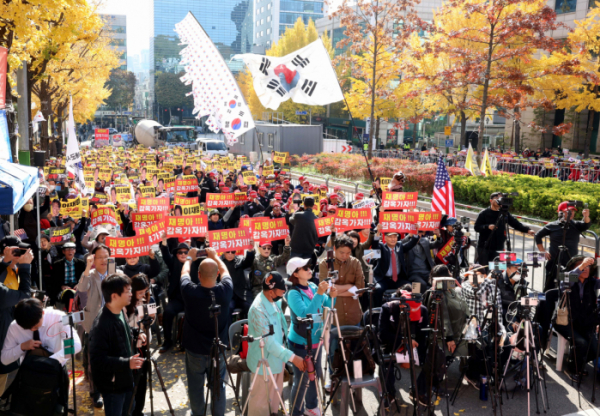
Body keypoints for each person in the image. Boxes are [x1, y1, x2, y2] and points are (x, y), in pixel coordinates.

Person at [179, 247, 233, 416]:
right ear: (216, 275)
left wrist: (189, 257)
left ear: (199, 275)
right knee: (218, 388)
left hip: (195, 350)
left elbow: (184, 274)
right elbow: (225, 271)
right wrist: (216, 256)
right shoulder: (225, 290)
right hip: (218, 350)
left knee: (195, 389)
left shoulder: (190, 291)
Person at [246, 271, 306, 416]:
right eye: (282, 289)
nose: (285, 292)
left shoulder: (274, 301)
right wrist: (293, 358)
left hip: (277, 361)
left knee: (274, 405)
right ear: (271, 292)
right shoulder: (258, 310)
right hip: (263, 366)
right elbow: (269, 343)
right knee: (260, 408)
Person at [89, 274, 146, 416]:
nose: (131, 294)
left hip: (126, 379)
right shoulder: (101, 325)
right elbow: (98, 360)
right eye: (127, 291)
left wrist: (135, 333)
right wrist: (127, 363)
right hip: (113, 386)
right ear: (114, 296)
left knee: (129, 411)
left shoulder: (119, 310)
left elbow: (122, 330)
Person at [287, 263, 337, 416]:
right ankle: (295, 412)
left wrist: (331, 296)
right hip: (300, 342)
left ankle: (311, 406)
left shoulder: (313, 286)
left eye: (310, 267)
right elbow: (305, 316)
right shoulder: (293, 293)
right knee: (302, 380)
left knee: (315, 376)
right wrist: (321, 294)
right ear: (295, 274)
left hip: (316, 338)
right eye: (305, 268)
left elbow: (326, 306)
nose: (310, 270)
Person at [77, 245, 120, 409]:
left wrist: (114, 271)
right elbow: (81, 288)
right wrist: (87, 267)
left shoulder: (114, 272)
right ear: (93, 259)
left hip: (113, 322)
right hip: (94, 322)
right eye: (99, 257)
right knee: (94, 362)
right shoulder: (91, 275)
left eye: (106, 256)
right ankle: (96, 393)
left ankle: (111, 387)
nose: (103, 260)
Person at [552, 256, 599, 382]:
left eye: (588, 266)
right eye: (582, 266)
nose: (585, 269)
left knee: (595, 348)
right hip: (565, 322)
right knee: (581, 343)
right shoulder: (567, 277)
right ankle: (572, 368)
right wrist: (582, 265)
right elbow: (565, 281)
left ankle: (577, 361)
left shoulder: (591, 282)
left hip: (585, 322)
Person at [378, 285, 427, 404]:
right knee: (385, 363)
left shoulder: (423, 310)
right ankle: (389, 393)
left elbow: (424, 334)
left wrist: (414, 352)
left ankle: (419, 391)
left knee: (435, 356)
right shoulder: (388, 308)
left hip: (415, 344)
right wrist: (404, 341)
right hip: (392, 343)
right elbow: (382, 334)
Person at [1, 297, 82, 368]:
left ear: (42, 313)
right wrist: (21, 347)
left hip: (55, 370)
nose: (32, 329)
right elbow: (4, 359)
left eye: (35, 326)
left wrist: (51, 361)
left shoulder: (58, 317)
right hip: (29, 373)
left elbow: (76, 345)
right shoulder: (15, 326)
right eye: (27, 328)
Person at [0, 240, 33, 395]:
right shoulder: (6, 272)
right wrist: (26, 268)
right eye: (18, 250)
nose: (21, 253)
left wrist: (6, 261)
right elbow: (23, 296)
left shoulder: (11, 269)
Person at [534, 201, 591, 292]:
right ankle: (548, 305)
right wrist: (542, 251)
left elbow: (586, 224)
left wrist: (586, 216)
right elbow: (538, 236)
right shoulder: (552, 226)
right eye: (568, 211)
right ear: (560, 213)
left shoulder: (576, 225)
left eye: (573, 211)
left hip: (571, 265)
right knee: (550, 289)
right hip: (554, 263)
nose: (571, 213)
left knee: (569, 289)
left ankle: (566, 306)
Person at [474, 192, 534, 266]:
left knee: (497, 270)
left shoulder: (504, 213)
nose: (499, 200)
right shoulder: (484, 213)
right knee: (483, 269)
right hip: (484, 246)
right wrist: (487, 226)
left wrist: (527, 230)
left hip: (499, 247)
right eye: (497, 198)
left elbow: (515, 223)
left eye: (501, 199)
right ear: (491, 201)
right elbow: (476, 227)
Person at [158, 232, 193, 354]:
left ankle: (193, 341)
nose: (183, 254)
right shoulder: (173, 262)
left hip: (192, 299)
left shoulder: (195, 263)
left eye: (186, 252)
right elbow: (166, 255)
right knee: (167, 312)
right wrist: (164, 241)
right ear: (176, 254)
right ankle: (168, 340)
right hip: (177, 300)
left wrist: (208, 241)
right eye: (180, 252)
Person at [124, 274, 154, 416]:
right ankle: (131, 408)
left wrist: (149, 315)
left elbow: (150, 322)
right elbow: (128, 326)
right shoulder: (127, 305)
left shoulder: (149, 300)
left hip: (145, 345)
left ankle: (139, 410)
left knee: (143, 381)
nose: (143, 294)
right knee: (133, 380)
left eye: (145, 291)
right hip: (132, 346)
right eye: (140, 292)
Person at [318, 235, 364, 326]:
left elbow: (360, 289)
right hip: (333, 315)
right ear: (334, 248)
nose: (345, 256)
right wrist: (349, 286)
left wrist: (335, 293)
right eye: (341, 252)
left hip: (353, 313)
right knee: (333, 340)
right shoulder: (325, 263)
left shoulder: (355, 263)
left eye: (348, 253)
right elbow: (325, 288)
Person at [372, 226, 420, 307]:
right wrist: (378, 233)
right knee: (377, 290)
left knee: (415, 288)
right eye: (390, 237)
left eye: (395, 236)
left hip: (399, 279)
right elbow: (374, 245)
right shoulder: (381, 247)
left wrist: (416, 232)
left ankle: (414, 309)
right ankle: (378, 311)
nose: (393, 239)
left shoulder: (399, 245)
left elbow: (411, 244)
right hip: (384, 279)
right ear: (385, 238)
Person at [222, 246, 255, 317]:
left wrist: (250, 251)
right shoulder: (220, 262)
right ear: (224, 251)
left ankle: (248, 326)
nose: (230, 254)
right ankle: (229, 328)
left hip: (241, 295)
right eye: (228, 251)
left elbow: (248, 262)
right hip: (228, 296)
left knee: (249, 306)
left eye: (233, 252)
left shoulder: (240, 259)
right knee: (227, 309)